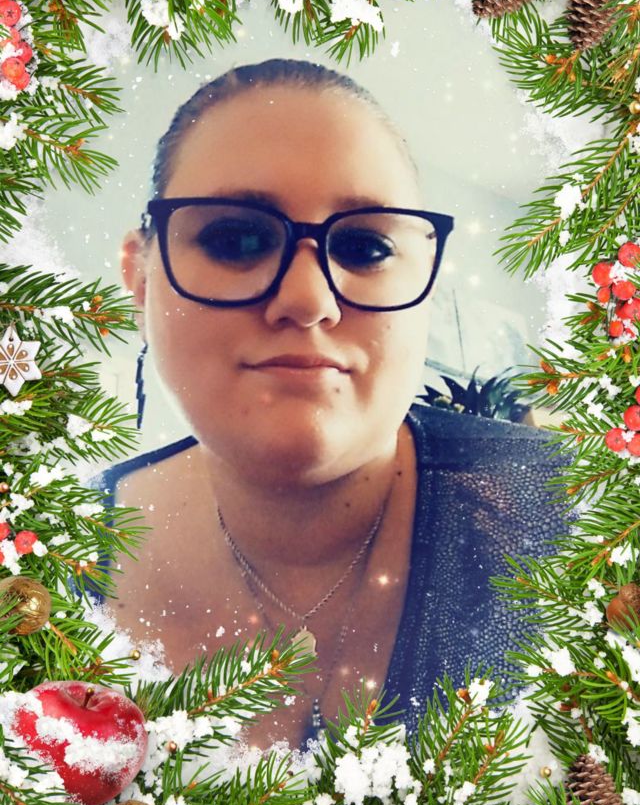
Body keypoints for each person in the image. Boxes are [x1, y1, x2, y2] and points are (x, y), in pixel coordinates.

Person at [92, 58, 569, 753]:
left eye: (366, 247)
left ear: (426, 284)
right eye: (236, 239)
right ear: (139, 279)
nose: (308, 299)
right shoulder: (40, 560)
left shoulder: (584, 520)